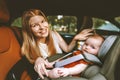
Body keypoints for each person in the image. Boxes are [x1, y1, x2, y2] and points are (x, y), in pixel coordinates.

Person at [21, 9, 93, 79]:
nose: (42, 27)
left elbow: (67, 49)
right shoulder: (28, 46)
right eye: (35, 25)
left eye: (43, 21)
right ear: (28, 30)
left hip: (65, 69)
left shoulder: (54, 34)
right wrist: (38, 59)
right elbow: (36, 66)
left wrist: (75, 38)